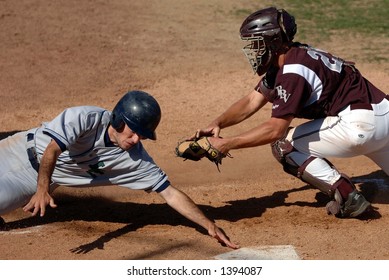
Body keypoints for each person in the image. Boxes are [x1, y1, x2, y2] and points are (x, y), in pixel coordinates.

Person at [193, 7, 389, 218]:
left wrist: (227, 143)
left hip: (358, 126)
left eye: (257, 43)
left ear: (273, 42)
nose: (254, 51)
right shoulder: (296, 56)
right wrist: (218, 123)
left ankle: (348, 196)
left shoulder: (293, 71)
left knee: (283, 145)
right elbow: (252, 100)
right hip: (384, 120)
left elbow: (275, 130)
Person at [0, 90, 238, 249]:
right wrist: (43, 191)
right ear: (117, 120)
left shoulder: (135, 160)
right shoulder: (86, 118)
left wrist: (209, 225)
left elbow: (170, 193)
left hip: (26, 182)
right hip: (18, 149)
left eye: (142, 136)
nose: (136, 140)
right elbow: (52, 150)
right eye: (133, 132)